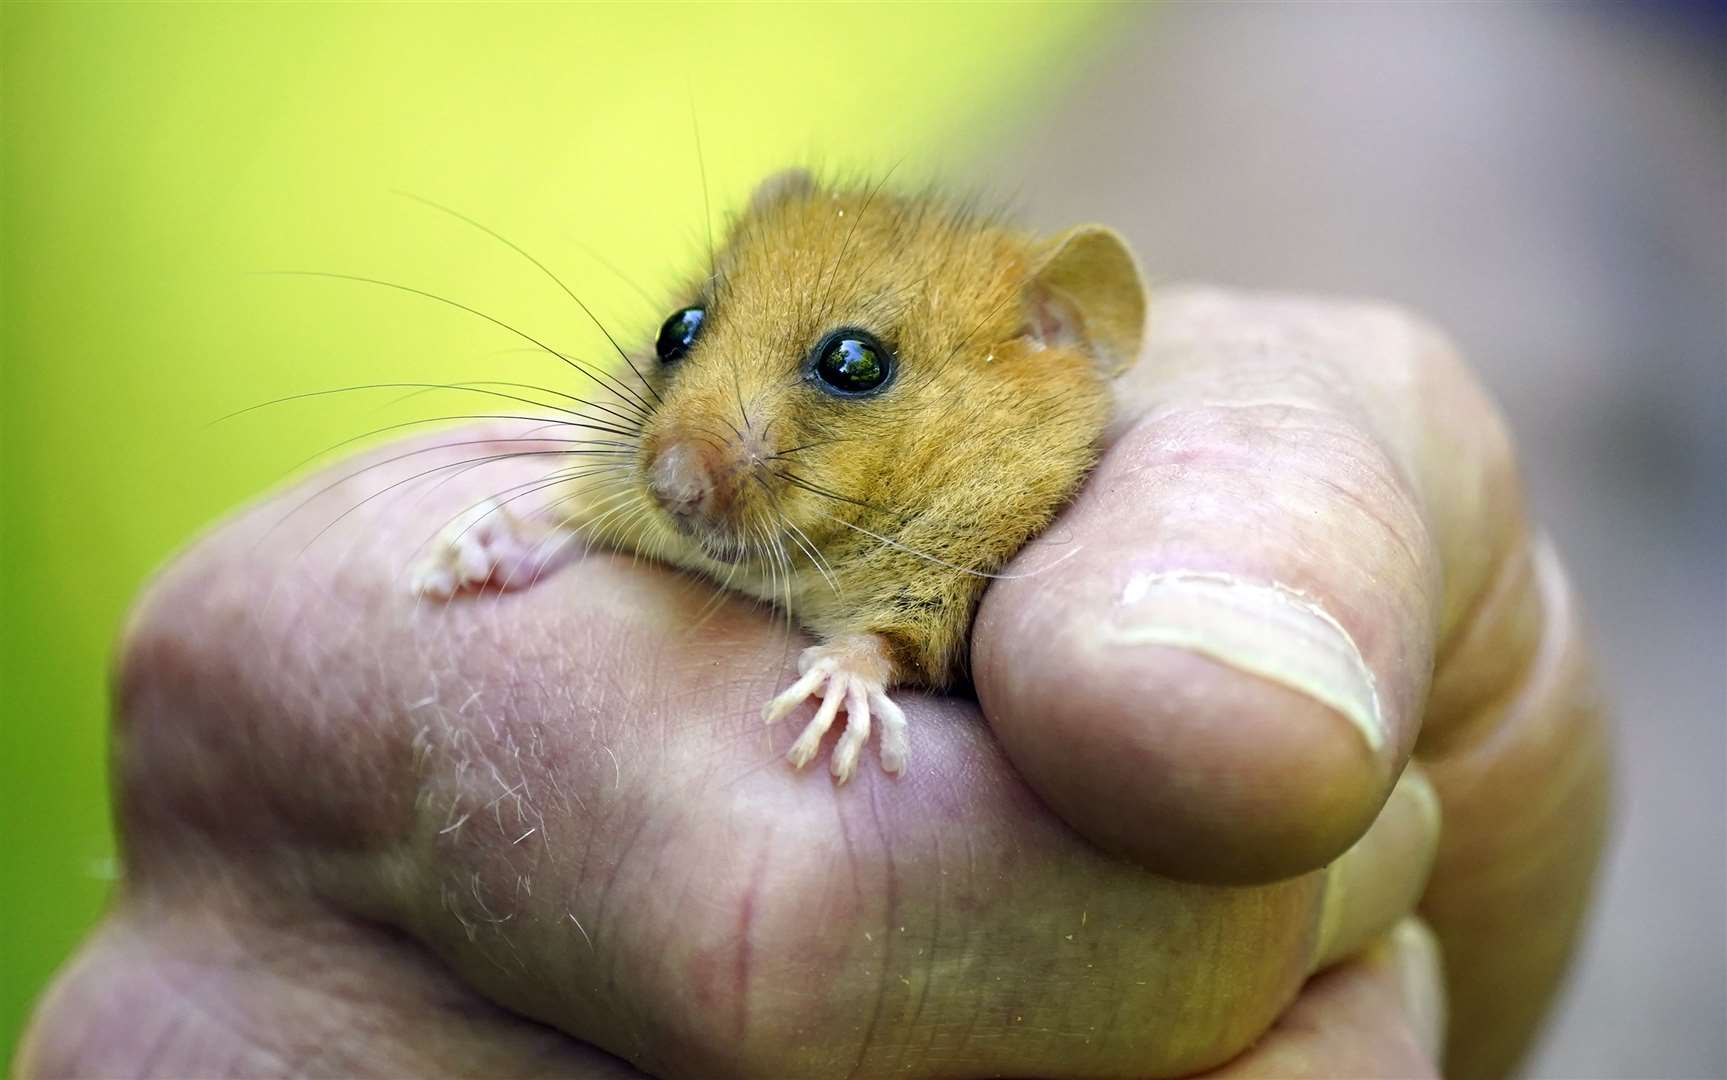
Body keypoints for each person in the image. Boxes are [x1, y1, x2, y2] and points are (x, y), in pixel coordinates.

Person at [18, 289, 1610, 1078]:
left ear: (1059, 341)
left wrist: (869, 654)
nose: (696, 427)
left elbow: (948, 598)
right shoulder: (655, 465)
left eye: (844, 368)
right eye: (687, 334)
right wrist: (527, 537)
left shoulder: (1021, 455)